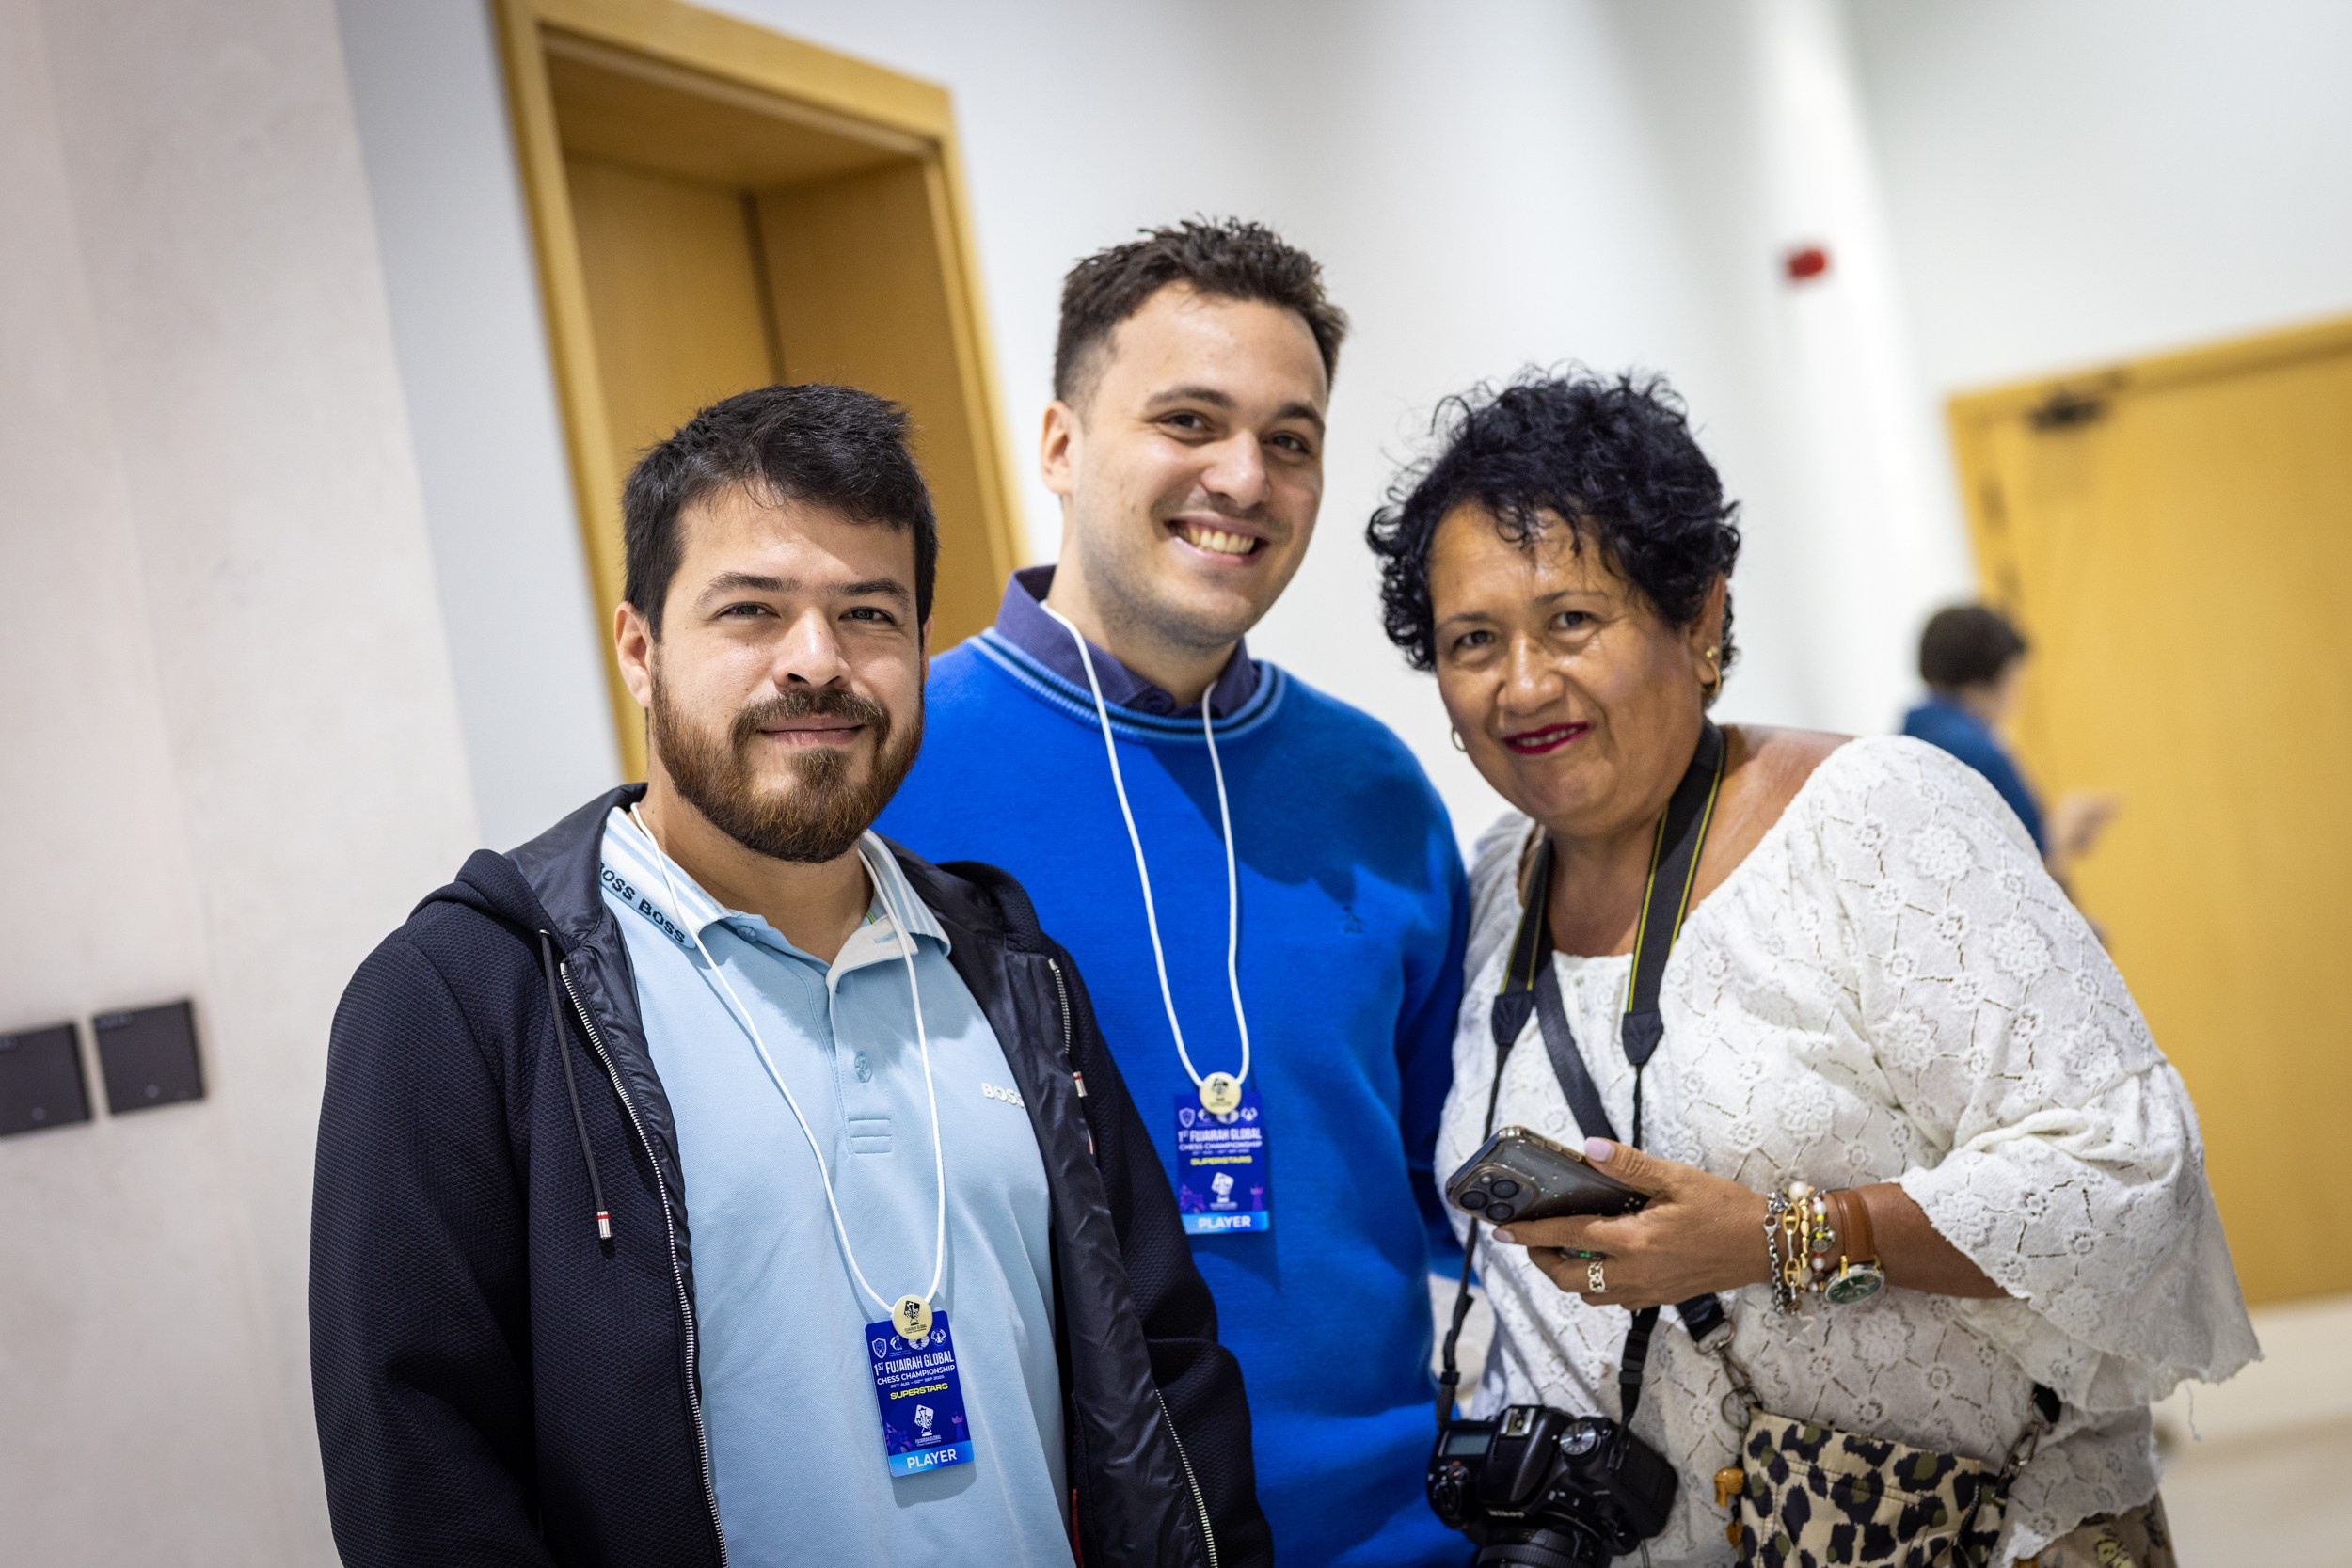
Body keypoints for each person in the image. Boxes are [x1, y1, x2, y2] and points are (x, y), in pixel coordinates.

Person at [310, 385, 1268, 1568]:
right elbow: (421, 1474)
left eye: (868, 612)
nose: (816, 663)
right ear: (640, 650)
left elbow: (1167, 1369)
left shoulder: (1015, 973)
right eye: (750, 611)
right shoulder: (467, 1000)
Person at [1365, 372, 2253, 1566]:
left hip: (1967, 1530)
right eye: (1474, 641)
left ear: (1698, 618)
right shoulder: (1489, 891)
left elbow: (2126, 1169)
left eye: (1571, 618)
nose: (1521, 683)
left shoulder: (1879, 820)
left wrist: (1780, 1236)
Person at [879, 219, 1470, 1566]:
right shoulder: (895, 774)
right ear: (1061, 443)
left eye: (1291, 438)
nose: (1243, 477)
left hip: (1406, 1533)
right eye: (1188, 419)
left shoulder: (1374, 787)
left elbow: (1454, 1179)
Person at [1901, 605, 2119, 884]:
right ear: (1993, 676)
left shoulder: (1907, 737)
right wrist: (2063, 831)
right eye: (2017, 679)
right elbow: (2032, 869)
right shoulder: (1979, 754)